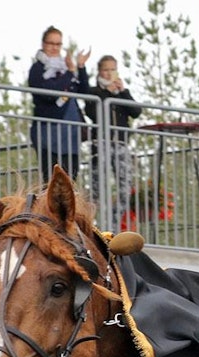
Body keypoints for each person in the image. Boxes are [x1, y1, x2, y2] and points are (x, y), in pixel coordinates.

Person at [86, 54, 142, 229]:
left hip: (121, 144)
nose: (110, 73)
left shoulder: (122, 93)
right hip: (101, 144)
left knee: (125, 188)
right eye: (106, 69)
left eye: (113, 69)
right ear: (100, 71)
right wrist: (107, 93)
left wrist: (122, 92)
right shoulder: (94, 92)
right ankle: (94, 226)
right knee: (98, 189)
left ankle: (114, 225)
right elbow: (91, 112)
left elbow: (136, 111)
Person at [28, 26, 91, 180]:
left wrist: (80, 68)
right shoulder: (38, 68)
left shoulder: (65, 68)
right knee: (51, 180)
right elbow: (48, 93)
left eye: (58, 44)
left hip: (70, 132)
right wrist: (70, 72)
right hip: (48, 131)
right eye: (51, 43)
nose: (54, 48)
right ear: (43, 44)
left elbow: (83, 92)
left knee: (71, 179)